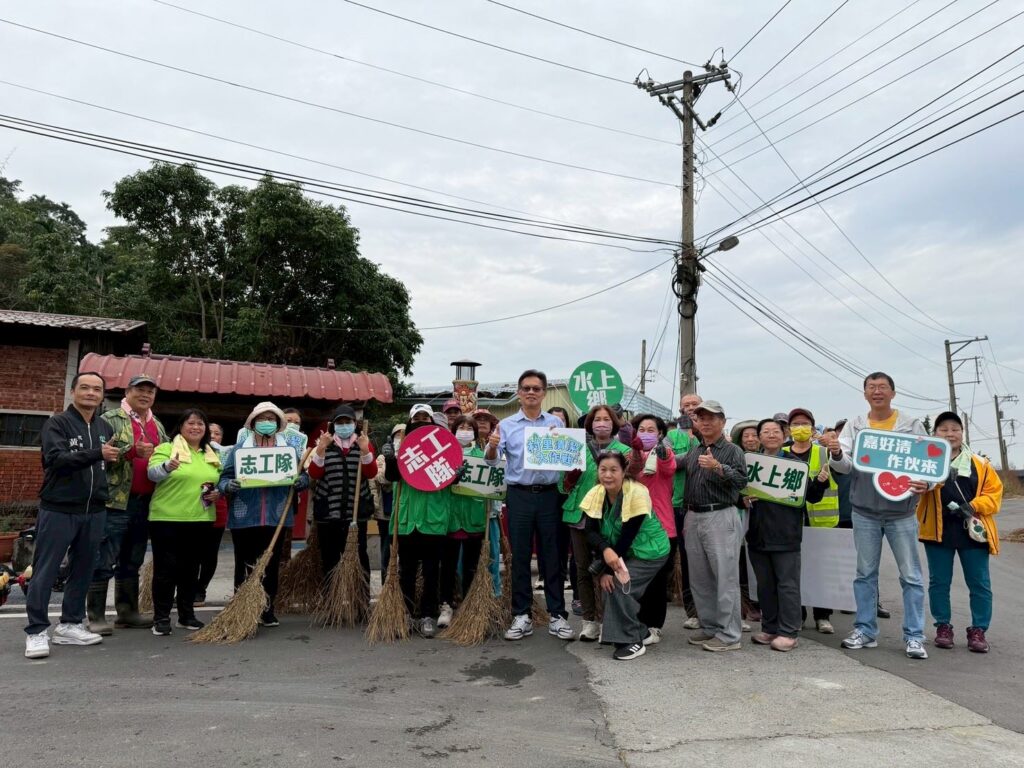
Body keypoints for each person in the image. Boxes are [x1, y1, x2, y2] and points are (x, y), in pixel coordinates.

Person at [829, 372, 930, 659]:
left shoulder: (911, 425)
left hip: (902, 512)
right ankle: (865, 630)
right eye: (871, 387)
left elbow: (927, 465)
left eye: (882, 387)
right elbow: (846, 466)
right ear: (864, 394)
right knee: (864, 575)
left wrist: (928, 484)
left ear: (893, 393)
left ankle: (914, 636)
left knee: (911, 576)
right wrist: (836, 454)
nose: (877, 391)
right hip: (864, 512)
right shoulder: (855, 425)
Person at [24, 372, 117, 659]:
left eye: (97, 389)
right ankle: (37, 631)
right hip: (59, 508)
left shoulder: (104, 426)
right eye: (85, 388)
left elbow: (104, 466)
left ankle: (70, 625)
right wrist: (96, 453)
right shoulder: (57, 423)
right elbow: (55, 460)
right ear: (73, 391)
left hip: (94, 510)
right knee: (46, 569)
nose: (91, 393)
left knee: (84, 569)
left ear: (102, 395)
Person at [485, 369, 574, 641]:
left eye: (536, 388)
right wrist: (491, 445)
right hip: (519, 495)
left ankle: (557, 614)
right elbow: (491, 460)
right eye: (526, 388)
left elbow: (569, 459)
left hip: (550, 495)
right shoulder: (506, 425)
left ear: (544, 393)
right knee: (521, 556)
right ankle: (521, 614)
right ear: (519, 393)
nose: (531, 392)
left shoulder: (556, 425)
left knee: (552, 556)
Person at [917, 411, 1002, 653]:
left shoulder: (980, 464)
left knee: (979, 583)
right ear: (935, 434)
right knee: (939, 582)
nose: (949, 433)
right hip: (937, 530)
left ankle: (978, 630)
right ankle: (943, 627)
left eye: (954, 429)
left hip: (972, 531)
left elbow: (994, 496)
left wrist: (973, 506)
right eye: (943, 429)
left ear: (962, 433)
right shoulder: (926, 461)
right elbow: (912, 487)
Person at [218, 402, 308, 628]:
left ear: (277, 424)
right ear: (253, 423)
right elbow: (223, 478)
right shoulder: (240, 450)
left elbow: (303, 476)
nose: (266, 422)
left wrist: (300, 482)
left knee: (270, 564)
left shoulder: (287, 450)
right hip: (244, 517)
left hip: (275, 518)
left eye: (271, 419)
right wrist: (228, 486)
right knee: (245, 564)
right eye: (262, 418)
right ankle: (242, 607)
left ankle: (267, 609)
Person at [89, 373, 166, 635]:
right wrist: (130, 452)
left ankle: (127, 612)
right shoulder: (109, 419)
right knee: (104, 559)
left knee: (132, 560)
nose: (145, 395)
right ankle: (96, 615)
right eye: (140, 390)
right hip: (115, 501)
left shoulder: (157, 424)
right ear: (127, 391)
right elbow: (98, 456)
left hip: (147, 502)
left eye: (150, 391)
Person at [746, 418, 828, 652]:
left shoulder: (794, 464)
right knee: (765, 585)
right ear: (759, 437)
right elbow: (739, 492)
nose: (771, 435)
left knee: (787, 584)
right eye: (766, 431)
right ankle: (769, 627)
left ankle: (789, 631)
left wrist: (820, 482)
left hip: (786, 535)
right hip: (758, 533)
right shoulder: (751, 463)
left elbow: (811, 496)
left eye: (776, 431)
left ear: (784, 436)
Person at [581, 451, 670, 660]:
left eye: (614, 470)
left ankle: (631, 641)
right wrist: (605, 555)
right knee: (611, 584)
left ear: (623, 471)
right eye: (603, 470)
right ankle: (641, 632)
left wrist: (606, 567)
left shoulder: (637, 492)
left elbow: (627, 536)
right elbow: (590, 531)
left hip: (650, 551)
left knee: (621, 584)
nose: (608, 475)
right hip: (620, 552)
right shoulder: (596, 493)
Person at [146, 409, 222, 635]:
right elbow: (152, 474)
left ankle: (186, 615)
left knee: (191, 570)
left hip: (201, 519)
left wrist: (217, 493)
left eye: (200, 424)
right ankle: (161, 618)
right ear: (180, 427)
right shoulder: (166, 449)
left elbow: (216, 481)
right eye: (191, 423)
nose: (196, 427)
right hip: (167, 518)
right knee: (165, 570)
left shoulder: (211, 454)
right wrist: (167, 466)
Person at [680, 400, 748, 652]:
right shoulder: (695, 450)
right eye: (701, 418)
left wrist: (719, 467)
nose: (706, 422)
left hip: (721, 515)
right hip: (694, 516)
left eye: (712, 417)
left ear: (723, 421)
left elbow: (742, 481)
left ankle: (730, 635)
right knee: (700, 578)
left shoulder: (732, 450)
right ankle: (710, 627)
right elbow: (676, 463)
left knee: (725, 578)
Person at [561, 405, 630, 642]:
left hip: (609, 518)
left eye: (606, 419)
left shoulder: (624, 451)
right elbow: (563, 486)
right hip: (579, 516)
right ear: (589, 424)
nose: (602, 423)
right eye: (597, 419)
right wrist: (569, 478)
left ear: (614, 423)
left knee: (607, 568)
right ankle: (589, 621)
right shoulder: (576, 448)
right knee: (582, 568)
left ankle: (607, 620)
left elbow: (630, 485)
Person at [383, 410, 451, 638]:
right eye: (417, 419)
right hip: (407, 520)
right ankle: (406, 614)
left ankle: (428, 615)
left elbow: (453, 477)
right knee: (407, 571)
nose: (421, 422)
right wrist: (392, 459)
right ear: (409, 422)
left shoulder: (444, 449)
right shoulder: (403, 449)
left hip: (433, 520)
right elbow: (392, 477)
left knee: (432, 571)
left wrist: (456, 472)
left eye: (425, 419)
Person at [784, 407, 840, 635]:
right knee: (794, 570)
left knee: (821, 570)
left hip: (822, 521)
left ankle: (823, 616)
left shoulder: (824, 452)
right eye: (795, 423)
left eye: (804, 423)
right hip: (791, 521)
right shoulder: (782, 453)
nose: (800, 428)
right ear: (789, 428)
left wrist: (835, 449)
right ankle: (798, 615)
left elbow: (844, 467)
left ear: (812, 427)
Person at [308, 405, 377, 588]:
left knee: (360, 557)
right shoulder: (325, 444)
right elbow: (314, 474)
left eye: (348, 422)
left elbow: (371, 473)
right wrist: (321, 448)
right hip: (329, 514)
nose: (344, 426)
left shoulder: (363, 443)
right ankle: (332, 606)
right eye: (340, 422)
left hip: (355, 515)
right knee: (330, 560)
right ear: (333, 425)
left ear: (355, 424)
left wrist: (365, 450)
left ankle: (360, 605)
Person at [626, 414, 675, 645]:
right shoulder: (630, 455)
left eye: (651, 430)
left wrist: (662, 449)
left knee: (657, 582)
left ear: (660, 434)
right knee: (636, 580)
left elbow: (668, 465)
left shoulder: (664, 454)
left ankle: (654, 626)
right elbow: (629, 470)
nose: (645, 433)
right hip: (635, 526)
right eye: (641, 429)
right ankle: (636, 623)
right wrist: (635, 451)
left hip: (662, 528)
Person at [439, 416, 489, 627]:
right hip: (450, 518)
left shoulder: (483, 457)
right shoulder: (444, 455)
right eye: (461, 427)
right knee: (448, 565)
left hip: (474, 518)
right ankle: (446, 604)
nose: (466, 431)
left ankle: (470, 605)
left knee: (471, 566)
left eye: (470, 428)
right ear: (453, 430)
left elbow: (492, 488)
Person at [671, 394, 703, 629]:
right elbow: (671, 461)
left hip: (706, 504)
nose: (691, 409)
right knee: (687, 558)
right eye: (687, 406)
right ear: (680, 409)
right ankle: (692, 611)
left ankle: (711, 611)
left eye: (695, 405)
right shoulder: (671, 435)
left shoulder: (714, 431)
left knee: (705, 560)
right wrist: (696, 451)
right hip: (679, 504)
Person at [730, 419, 761, 626]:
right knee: (740, 564)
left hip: (764, 520)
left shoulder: (771, 460)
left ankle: (759, 604)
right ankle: (745, 605)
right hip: (739, 517)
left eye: (754, 435)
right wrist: (740, 501)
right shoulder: (735, 459)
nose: (750, 439)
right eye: (746, 436)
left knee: (758, 564)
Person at [195, 422, 229, 606]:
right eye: (210, 433)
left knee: (210, 553)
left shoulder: (226, 455)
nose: (213, 436)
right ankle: (187, 588)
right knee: (192, 552)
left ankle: (201, 589)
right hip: (192, 508)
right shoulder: (191, 452)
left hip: (217, 507)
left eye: (217, 433)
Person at [473, 409, 504, 596]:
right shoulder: (466, 447)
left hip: (491, 511)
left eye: (486, 420)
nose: (482, 422)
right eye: (478, 419)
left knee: (493, 553)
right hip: (469, 512)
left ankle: (494, 594)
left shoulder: (500, 447)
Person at [370, 423, 405, 579]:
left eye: (405, 434)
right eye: (398, 434)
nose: (401, 438)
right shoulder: (382, 457)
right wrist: (391, 460)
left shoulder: (413, 455)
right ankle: (385, 580)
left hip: (405, 511)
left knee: (404, 547)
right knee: (386, 544)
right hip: (386, 511)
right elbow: (381, 478)